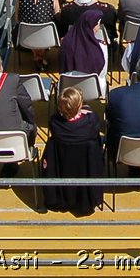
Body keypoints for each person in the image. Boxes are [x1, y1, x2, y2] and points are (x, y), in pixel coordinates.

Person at [41, 85, 105, 215]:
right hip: (85, 167)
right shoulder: (91, 121)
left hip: (64, 165)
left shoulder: (55, 123)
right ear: (79, 106)